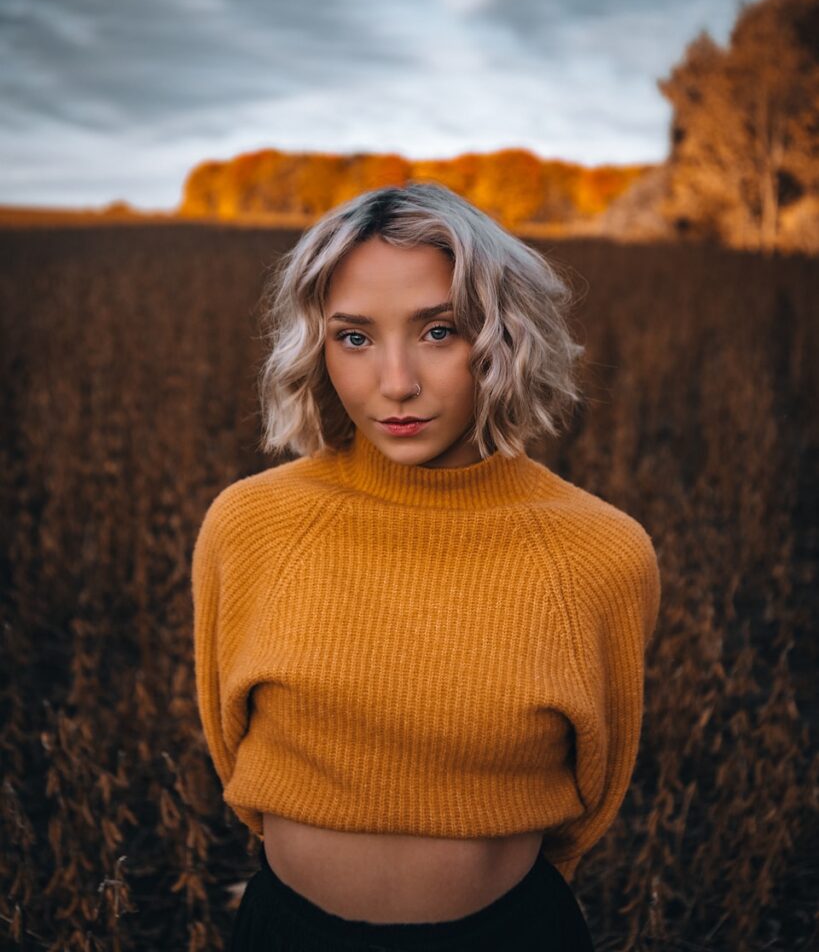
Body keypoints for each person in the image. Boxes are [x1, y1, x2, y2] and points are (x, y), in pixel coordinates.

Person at [191, 181, 661, 950]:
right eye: (354, 338)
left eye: (438, 331)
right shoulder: (250, 526)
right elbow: (230, 747)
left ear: (503, 335)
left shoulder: (597, 553)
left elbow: (593, 794)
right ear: (316, 347)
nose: (396, 382)